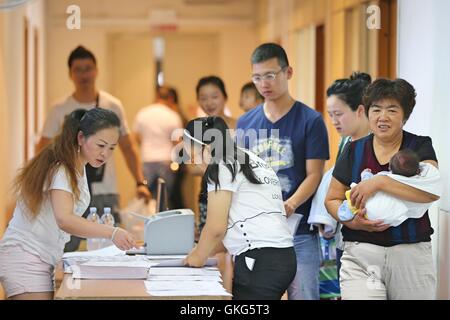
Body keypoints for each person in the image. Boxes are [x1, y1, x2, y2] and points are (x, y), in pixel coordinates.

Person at [0, 108, 137, 300]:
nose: (105, 154)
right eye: (100, 145)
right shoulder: (62, 170)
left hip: (39, 258)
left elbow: (67, 223)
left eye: (112, 148)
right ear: (81, 138)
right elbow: (65, 219)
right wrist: (112, 232)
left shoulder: (77, 169)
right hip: (25, 258)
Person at [325, 78, 440, 300]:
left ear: (405, 115)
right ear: (367, 113)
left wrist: (379, 182)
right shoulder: (353, 150)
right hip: (361, 254)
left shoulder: (420, 147)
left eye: (392, 110)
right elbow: (332, 199)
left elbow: (431, 190)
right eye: (376, 109)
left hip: (411, 255)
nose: (382, 117)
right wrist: (352, 221)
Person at [236, 43, 330, 300]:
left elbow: (314, 174)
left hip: (298, 233)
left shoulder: (311, 120)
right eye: (257, 77)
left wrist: (290, 203)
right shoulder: (245, 123)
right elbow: (241, 175)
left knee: (304, 296)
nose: (264, 83)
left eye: (270, 75)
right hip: (257, 236)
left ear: (288, 72)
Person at [36, 46, 150, 250]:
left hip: (104, 189)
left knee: (108, 246)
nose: (83, 74)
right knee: (66, 244)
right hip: (69, 188)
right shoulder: (60, 108)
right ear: (70, 74)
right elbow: (43, 148)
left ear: (96, 71)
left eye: (88, 68)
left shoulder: (112, 105)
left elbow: (127, 146)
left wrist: (140, 181)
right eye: (77, 69)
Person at [183, 116, 296, 300]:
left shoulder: (220, 165)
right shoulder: (249, 158)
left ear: (206, 147)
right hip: (283, 257)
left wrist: (198, 257)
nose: (192, 161)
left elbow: (216, 228)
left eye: (192, 153)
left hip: (260, 261)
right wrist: (200, 250)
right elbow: (231, 226)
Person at [324, 71, 372, 280]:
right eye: (330, 114)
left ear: (360, 110)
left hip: (372, 237)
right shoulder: (345, 142)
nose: (334, 121)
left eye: (339, 114)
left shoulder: (375, 144)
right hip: (347, 233)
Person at [337, 149, 440, 226]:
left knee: (355, 198)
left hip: (366, 207)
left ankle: (347, 209)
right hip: (386, 218)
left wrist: (366, 174)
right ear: (418, 171)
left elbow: (367, 183)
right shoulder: (416, 183)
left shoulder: (385, 176)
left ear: (390, 167)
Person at [192, 76, 236, 234]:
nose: (209, 103)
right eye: (203, 98)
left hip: (238, 197)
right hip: (209, 197)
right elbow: (192, 167)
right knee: (212, 246)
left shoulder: (239, 125)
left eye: (214, 96)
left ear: (225, 97)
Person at [133, 85, 183, 205]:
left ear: (156, 96)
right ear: (170, 98)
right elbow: (178, 143)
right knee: (163, 199)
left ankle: (145, 222)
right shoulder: (173, 115)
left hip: (147, 159)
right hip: (166, 160)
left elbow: (136, 138)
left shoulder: (142, 113)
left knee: (144, 197)